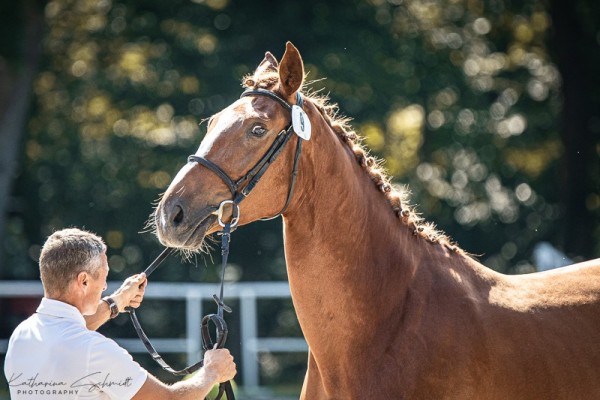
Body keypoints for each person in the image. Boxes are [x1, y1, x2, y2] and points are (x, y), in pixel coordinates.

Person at [4, 227, 236, 399]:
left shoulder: (22, 336)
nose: (104, 287)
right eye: (103, 278)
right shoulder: (93, 350)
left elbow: (68, 334)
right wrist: (212, 372)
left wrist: (117, 301)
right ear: (83, 281)